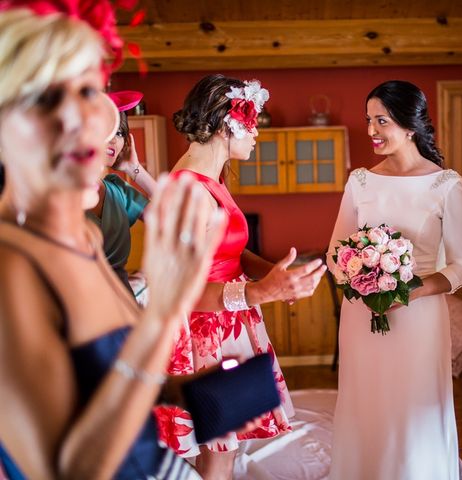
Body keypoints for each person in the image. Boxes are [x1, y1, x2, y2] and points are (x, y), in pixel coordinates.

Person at [0, 3, 227, 478]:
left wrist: (220, 396)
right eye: (47, 97)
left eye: (87, 90)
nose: (88, 117)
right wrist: (163, 315)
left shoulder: (82, 235)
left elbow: (122, 375)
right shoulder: (11, 267)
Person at [157, 74, 327, 479]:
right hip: (205, 334)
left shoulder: (210, 180)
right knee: (219, 447)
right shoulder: (189, 193)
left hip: (228, 322)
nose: (255, 134)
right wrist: (257, 293)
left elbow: (230, 252)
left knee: (227, 444)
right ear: (223, 124)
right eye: (251, 122)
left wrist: (275, 276)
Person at [327, 80, 462, 479]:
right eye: (368, 120)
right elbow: (335, 252)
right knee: (366, 401)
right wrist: (360, 281)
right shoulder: (360, 181)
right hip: (362, 315)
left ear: (410, 126)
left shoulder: (446, 185)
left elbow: (461, 267)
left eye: (382, 121)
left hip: (419, 319)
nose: (371, 130)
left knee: (413, 405)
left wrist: (407, 290)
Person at [87, 90, 156, 296]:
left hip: (122, 305)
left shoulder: (118, 191)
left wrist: (134, 169)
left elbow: (172, 217)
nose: (113, 140)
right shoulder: (57, 193)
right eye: (105, 129)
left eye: (119, 132)